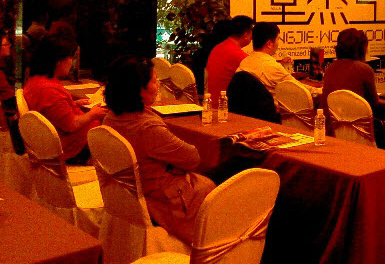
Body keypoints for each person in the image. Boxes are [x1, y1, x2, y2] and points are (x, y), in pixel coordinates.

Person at [103, 56, 216, 244]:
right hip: (158, 200)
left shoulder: (110, 118)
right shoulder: (148, 129)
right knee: (220, 175)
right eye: (154, 81)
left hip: (129, 192)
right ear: (139, 89)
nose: (158, 86)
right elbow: (193, 159)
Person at [23, 36, 108, 163]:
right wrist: (92, 114)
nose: (72, 63)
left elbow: (52, 112)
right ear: (59, 62)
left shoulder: (36, 82)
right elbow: (71, 125)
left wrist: (73, 104)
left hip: (59, 142)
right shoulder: (48, 90)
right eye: (71, 58)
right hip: (70, 148)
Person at [321, 28, 385, 145]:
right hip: (360, 132)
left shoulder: (330, 68)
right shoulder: (364, 69)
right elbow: (374, 104)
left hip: (332, 131)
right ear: (362, 49)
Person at [236, 22, 300, 96]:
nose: (278, 43)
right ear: (269, 44)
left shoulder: (244, 62)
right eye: (278, 39)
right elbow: (301, 89)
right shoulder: (273, 67)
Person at [205, 15, 253, 107]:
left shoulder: (217, 48)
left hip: (210, 103)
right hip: (224, 106)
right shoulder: (239, 56)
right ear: (246, 34)